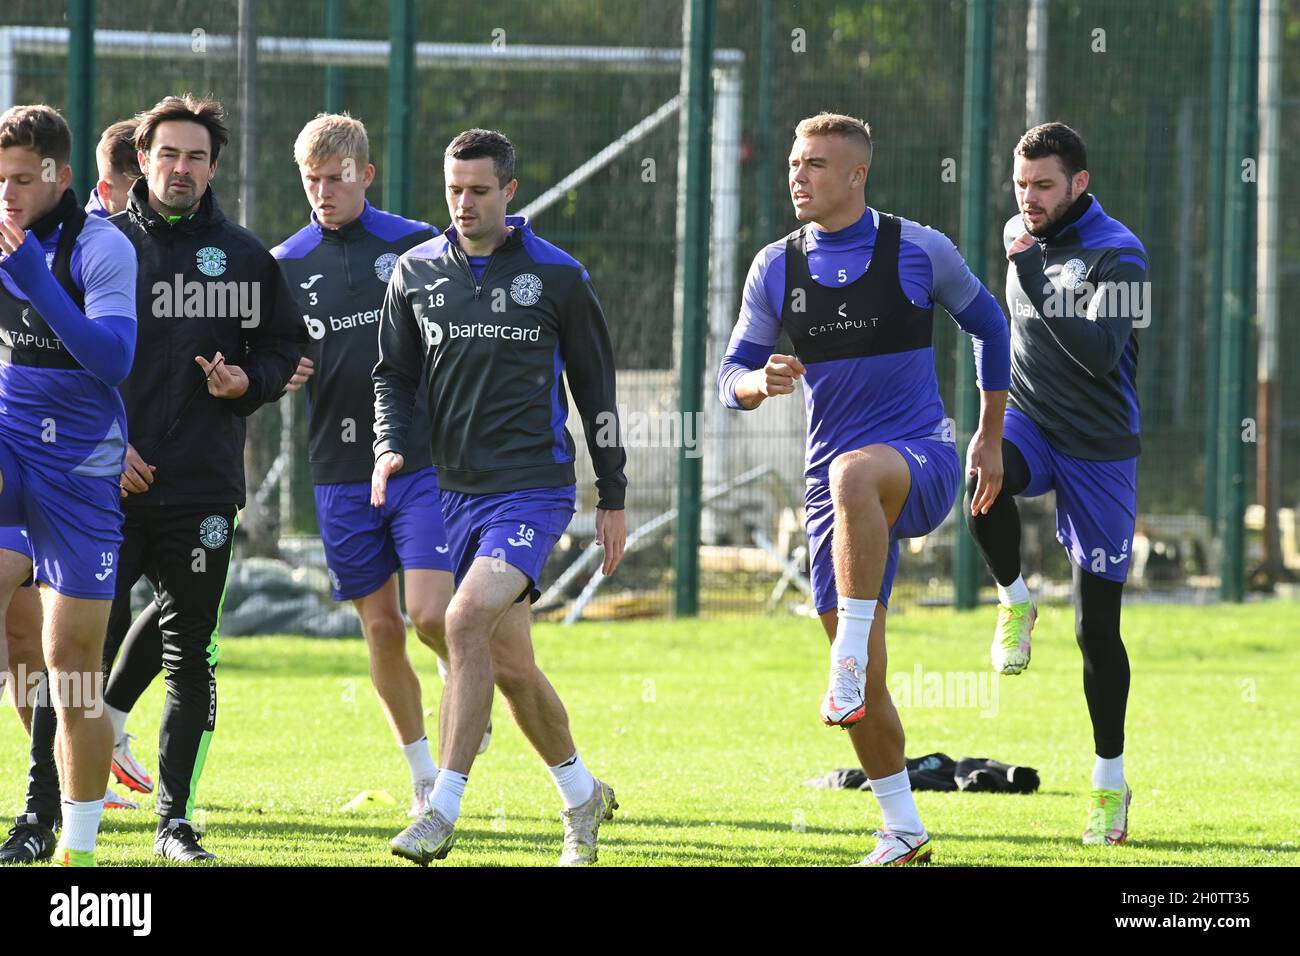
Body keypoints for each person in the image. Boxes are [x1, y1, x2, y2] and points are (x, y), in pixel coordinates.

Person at [717, 112, 1011, 865]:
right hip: (834, 495)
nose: (797, 176)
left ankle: (844, 657)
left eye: (815, 164)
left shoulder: (919, 248)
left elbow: (991, 325)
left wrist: (988, 431)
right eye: (792, 162)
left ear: (857, 175)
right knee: (865, 695)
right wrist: (759, 380)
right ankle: (904, 828)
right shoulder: (775, 266)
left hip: (921, 459)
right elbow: (729, 378)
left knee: (856, 473)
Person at [374, 128, 627, 866]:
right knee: (510, 665)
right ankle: (582, 796)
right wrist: (390, 442)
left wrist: (612, 495)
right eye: (453, 189)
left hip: (534, 491)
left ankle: (441, 809)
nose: (463, 204)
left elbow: (596, 391)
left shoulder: (558, 276)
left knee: (461, 621)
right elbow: (392, 375)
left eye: (479, 191)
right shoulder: (416, 272)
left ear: (511, 192)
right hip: (452, 493)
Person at [271, 112, 484, 822]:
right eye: (311, 180)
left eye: (336, 178)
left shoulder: (420, 244)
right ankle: (424, 773)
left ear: (366, 174)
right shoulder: (284, 262)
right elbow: (267, 355)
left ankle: (462, 672)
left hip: (423, 458)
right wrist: (280, 371)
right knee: (380, 626)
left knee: (431, 614)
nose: (323, 192)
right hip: (337, 466)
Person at [107, 94, 303, 861]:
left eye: (195, 157)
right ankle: (43, 815)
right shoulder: (100, 247)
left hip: (200, 490)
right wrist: (101, 444)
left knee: (191, 651)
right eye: (167, 155)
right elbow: (57, 362)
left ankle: (175, 821)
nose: (180, 168)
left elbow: (286, 348)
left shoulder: (248, 258)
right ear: (143, 159)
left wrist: (246, 383)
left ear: (213, 166)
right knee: (76, 654)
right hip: (101, 486)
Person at [966, 122, 1146, 846]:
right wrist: (991, 419)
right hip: (1032, 425)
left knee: (1096, 630)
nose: (1030, 199)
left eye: (1045, 185)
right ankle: (1014, 600)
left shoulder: (1124, 255)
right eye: (1021, 186)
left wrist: (1038, 275)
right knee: (982, 478)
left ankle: (1110, 780)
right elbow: (1007, 335)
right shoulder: (1020, 235)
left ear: (1080, 183)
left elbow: (1104, 355)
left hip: (1100, 449)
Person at [0, 104, 139, 866]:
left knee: (74, 670)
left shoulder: (103, 247)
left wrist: (34, 280)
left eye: (23, 180)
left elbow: (113, 360)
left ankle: (76, 850)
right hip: (9, 441)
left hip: (82, 468)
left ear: (60, 175)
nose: (8, 196)